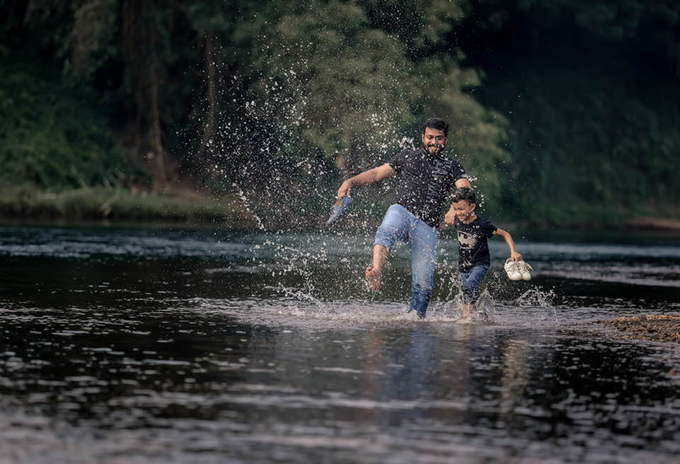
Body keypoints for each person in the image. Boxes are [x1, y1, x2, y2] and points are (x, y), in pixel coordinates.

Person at [335, 118, 471, 319]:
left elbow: (465, 187)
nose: (433, 142)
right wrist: (350, 181)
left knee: (424, 283)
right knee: (386, 231)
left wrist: (453, 208)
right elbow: (376, 174)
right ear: (422, 137)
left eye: (438, 138)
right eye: (430, 137)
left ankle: (416, 319)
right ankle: (377, 270)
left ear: (445, 140)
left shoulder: (452, 166)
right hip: (402, 211)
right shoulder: (408, 156)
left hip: (428, 225)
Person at [443, 187, 522, 322]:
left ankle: (468, 317)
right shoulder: (457, 219)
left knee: (469, 286)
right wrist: (449, 214)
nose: (458, 213)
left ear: (472, 206)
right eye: (456, 209)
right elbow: (447, 219)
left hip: (480, 264)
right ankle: (473, 316)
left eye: (461, 209)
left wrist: (513, 251)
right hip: (463, 265)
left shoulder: (482, 224)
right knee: (466, 291)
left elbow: (505, 234)